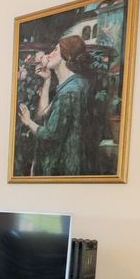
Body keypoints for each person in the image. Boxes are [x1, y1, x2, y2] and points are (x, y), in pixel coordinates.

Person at [18, 35, 95, 176]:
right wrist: (47, 80)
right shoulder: (75, 84)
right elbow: (42, 116)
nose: (49, 55)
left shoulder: (69, 92)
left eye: (55, 50)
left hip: (61, 166)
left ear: (66, 55)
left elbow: (50, 134)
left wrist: (28, 122)